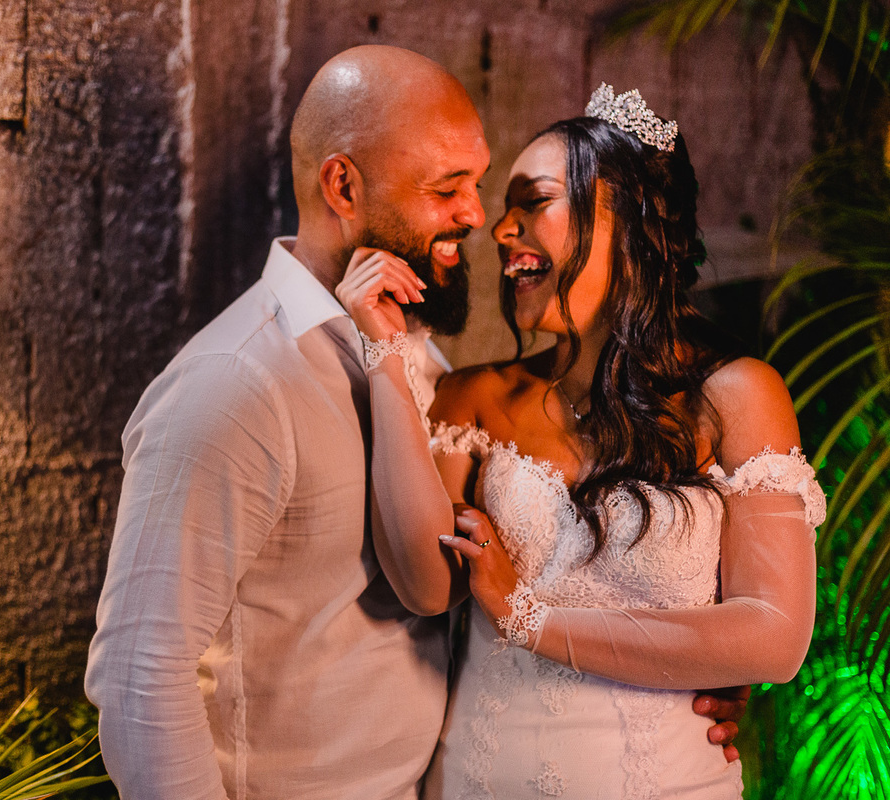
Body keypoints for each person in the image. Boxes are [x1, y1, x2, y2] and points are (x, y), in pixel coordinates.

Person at [86, 45, 746, 798]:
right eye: (448, 188)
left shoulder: (416, 359)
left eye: (477, 182)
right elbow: (141, 676)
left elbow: (472, 591)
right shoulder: (235, 384)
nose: (478, 215)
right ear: (343, 185)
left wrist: (677, 671)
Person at [336, 83, 825, 799]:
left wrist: (528, 619)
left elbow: (774, 640)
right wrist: (382, 358)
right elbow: (425, 587)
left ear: (625, 217)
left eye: (531, 202)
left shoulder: (736, 396)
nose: (500, 230)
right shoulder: (472, 397)